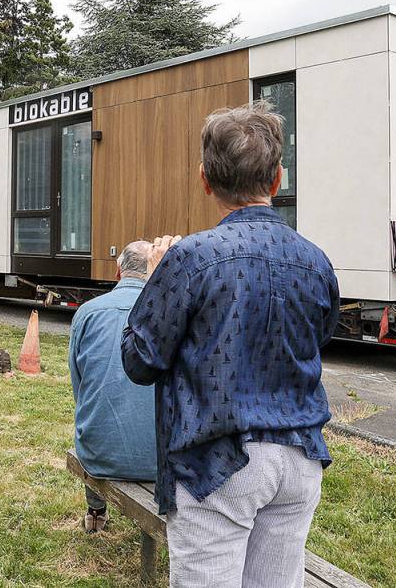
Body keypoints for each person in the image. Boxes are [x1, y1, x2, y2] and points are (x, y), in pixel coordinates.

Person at [121, 101, 339, 588]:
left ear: (205, 179)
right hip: (299, 458)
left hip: (217, 461)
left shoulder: (190, 258)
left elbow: (140, 359)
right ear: (278, 178)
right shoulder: (316, 260)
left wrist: (150, 283)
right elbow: (320, 339)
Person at [68, 240, 157, 533]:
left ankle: (96, 511)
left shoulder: (87, 312)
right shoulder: (167, 315)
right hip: (158, 460)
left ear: (118, 273)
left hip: (99, 456)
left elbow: (79, 385)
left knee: (94, 418)